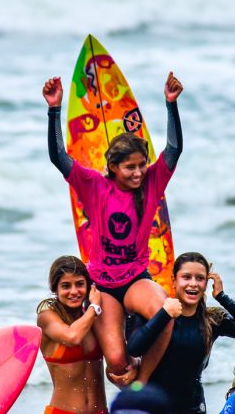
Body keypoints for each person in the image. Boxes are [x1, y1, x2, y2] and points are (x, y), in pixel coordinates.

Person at [43, 71, 184, 381]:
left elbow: (173, 150)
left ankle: (142, 381)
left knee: (166, 311)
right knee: (118, 361)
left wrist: (170, 104)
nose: (137, 172)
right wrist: (55, 109)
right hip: (102, 284)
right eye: (129, 167)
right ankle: (128, 372)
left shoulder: (152, 183)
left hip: (135, 278)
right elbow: (58, 157)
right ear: (113, 167)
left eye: (141, 165)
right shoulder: (94, 186)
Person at [123, 252, 235, 413]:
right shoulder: (155, 313)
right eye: (186, 277)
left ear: (206, 283)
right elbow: (134, 348)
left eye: (200, 278)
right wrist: (164, 314)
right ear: (174, 281)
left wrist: (222, 297)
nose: (193, 284)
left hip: (192, 406)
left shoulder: (212, 320)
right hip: (154, 404)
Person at [37, 255, 133, 414]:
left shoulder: (93, 318)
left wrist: (131, 365)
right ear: (55, 289)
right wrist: (94, 306)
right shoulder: (47, 317)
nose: (74, 291)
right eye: (66, 286)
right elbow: (72, 337)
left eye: (80, 284)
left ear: (89, 286)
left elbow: (116, 353)